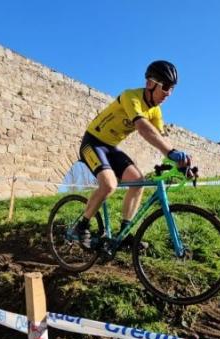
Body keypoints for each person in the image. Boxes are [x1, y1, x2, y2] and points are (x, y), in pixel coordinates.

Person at [76, 60, 191, 249]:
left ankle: (123, 233)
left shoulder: (155, 111)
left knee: (138, 181)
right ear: (150, 83)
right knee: (109, 185)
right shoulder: (132, 97)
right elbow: (144, 128)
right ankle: (82, 226)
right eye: (166, 87)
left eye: (172, 89)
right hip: (93, 142)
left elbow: (161, 136)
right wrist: (170, 153)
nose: (168, 94)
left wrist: (180, 159)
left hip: (111, 147)